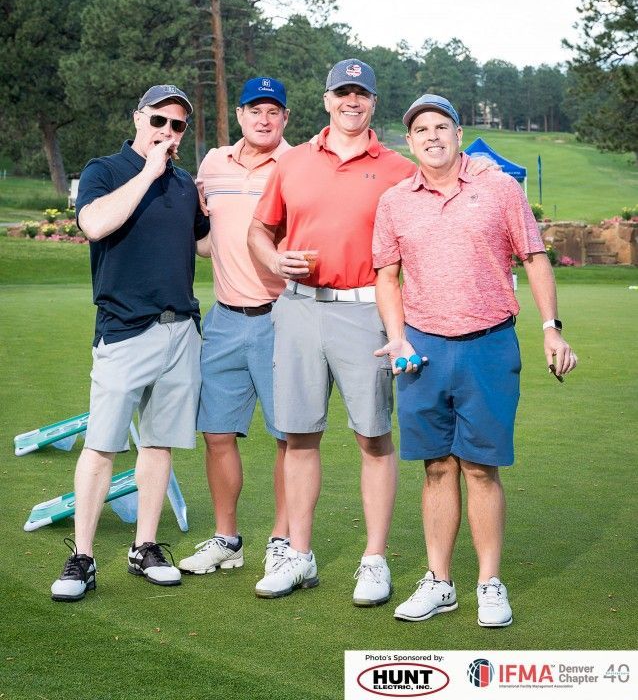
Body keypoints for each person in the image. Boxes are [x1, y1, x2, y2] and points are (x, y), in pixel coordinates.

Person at [247, 61, 492, 606]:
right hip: (298, 308)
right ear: (327, 99)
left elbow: (450, 186)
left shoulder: (399, 168)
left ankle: (374, 561)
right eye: (342, 93)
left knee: (373, 438)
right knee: (298, 436)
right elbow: (259, 230)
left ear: (373, 103)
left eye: (361, 94)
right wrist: (274, 259)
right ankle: (299, 555)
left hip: (366, 312)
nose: (351, 102)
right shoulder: (293, 163)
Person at [372, 93, 578, 627]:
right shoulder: (396, 200)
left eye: (442, 126)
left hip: (489, 344)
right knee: (436, 466)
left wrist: (551, 329)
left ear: (459, 134)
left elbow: (534, 258)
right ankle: (440, 583)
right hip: (421, 349)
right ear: (410, 141)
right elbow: (386, 275)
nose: (432, 136)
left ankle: (489, 583)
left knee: (481, 469)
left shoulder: (499, 188)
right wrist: (396, 336)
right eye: (421, 130)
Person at [50, 85, 210, 602]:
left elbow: (204, 244)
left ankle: (144, 546)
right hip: (123, 329)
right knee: (101, 445)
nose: (167, 132)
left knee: (159, 443)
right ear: (139, 118)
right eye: (159, 121)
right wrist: (148, 173)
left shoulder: (184, 185)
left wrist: (226, 196)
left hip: (180, 329)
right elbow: (95, 224)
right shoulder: (106, 169)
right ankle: (83, 557)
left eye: (178, 126)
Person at [178, 77, 291, 581]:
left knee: (291, 437)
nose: (263, 119)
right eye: (254, 110)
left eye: (273, 111)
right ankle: (228, 539)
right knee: (216, 433)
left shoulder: (300, 166)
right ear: (239, 115)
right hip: (224, 319)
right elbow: (206, 243)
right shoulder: (212, 165)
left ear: (285, 118)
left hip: (282, 318)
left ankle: (284, 542)